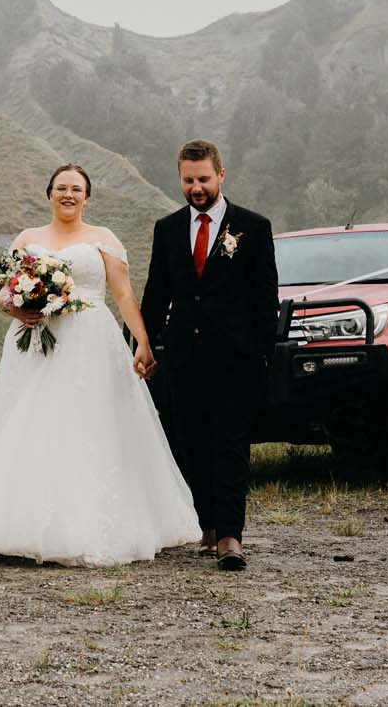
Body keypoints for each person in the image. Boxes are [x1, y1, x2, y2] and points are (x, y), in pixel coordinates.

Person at [0, 164, 200, 566]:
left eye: (76, 189)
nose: (68, 194)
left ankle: (88, 524)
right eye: (61, 188)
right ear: (49, 193)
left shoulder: (103, 239)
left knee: (91, 423)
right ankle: (18, 523)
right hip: (34, 342)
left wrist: (142, 342)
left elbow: (123, 295)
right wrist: (17, 309)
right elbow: (3, 291)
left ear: (87, 196)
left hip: (90, 341)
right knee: (31, 421)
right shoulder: (27, 238)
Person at [140, 140, 279, 571]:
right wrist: (142, 345)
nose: (196, 188)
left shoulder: (253, 227)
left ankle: (231, 536)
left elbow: (266, 299)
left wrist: (263, 356)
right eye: (188, 180)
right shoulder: (167, 229)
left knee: (231, 444)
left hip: (236, 358)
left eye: (203, 179)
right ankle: (209, 525)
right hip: (183, 358)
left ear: (221, 175)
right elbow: (156, 294)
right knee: (192, 444)